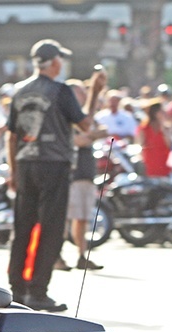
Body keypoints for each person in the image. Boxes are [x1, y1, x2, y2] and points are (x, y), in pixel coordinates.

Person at [5, 39, 105, 312]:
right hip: (54, 164)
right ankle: (38, 291)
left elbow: (12, 137)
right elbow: (86, 122)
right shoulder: (60, 90)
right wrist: (95, 91)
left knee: (23, 227)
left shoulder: (20, 90)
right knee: (51, 228)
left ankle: (18, 290)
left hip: (26, 164)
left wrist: (13, 171)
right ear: (56, 62)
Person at [63, 79, 108, 271]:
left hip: (86, 173)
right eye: (81, 92)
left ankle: (81, 255)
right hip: (73, 174)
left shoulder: (82, 117)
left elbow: (100, 131)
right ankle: (56, 256)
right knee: (66, 218)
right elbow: (79, 140)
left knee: (82, 218)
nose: (84, 95)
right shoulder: (68, 116)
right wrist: (93, 135)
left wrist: (92, 135)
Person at [136, 99, 172, 178]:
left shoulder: (166, 128)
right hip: (151, 163)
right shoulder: (144, 128)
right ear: (155, 112)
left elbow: (169, 144)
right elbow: (140, 145)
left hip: (165, 163)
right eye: (161, 111)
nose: (164, 113)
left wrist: (163, 127)